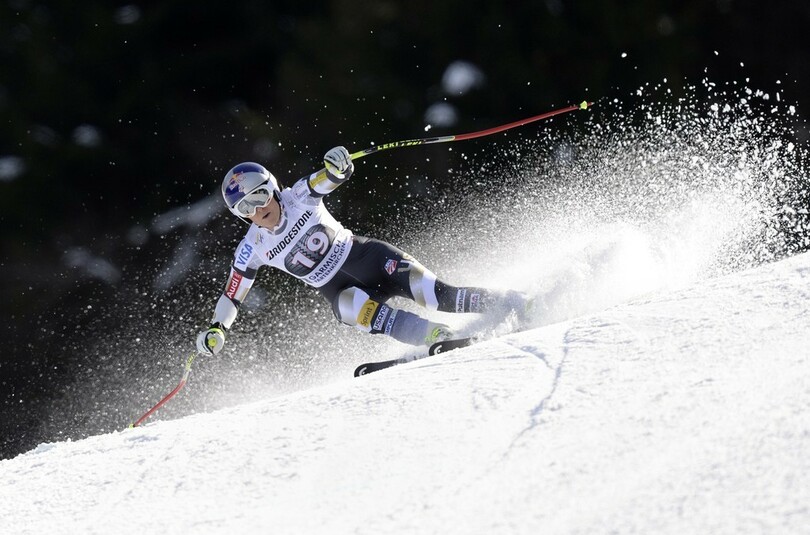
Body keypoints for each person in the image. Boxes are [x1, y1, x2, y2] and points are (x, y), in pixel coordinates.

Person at [195, 146, 529, 356]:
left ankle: (511, 302)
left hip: (370, 259)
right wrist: (217, 328)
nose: (258, 209)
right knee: (351, 309)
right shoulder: (251, 247)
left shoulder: (299, 195)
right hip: (341, 290)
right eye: (246, 207)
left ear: (273, 186)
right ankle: (437, 336)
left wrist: (338, 166)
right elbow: (232, 295)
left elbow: (330, 177)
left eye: (261, 195)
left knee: (436, 295)